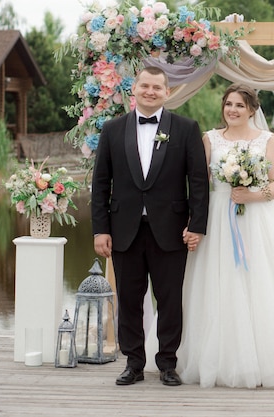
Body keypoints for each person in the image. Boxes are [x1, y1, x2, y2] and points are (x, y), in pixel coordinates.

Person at [150, 83, 274, 388]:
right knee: (213, 284)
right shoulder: (210, 139)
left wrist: (252, 195)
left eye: (239, 105)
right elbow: (200, 183)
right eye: (228, 104)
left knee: (261, 283)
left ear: (252, 109)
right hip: (217, 218)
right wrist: (193, 220)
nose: (232, 110)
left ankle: (267, 359)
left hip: (257, 220)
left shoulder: (266, 140)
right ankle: (205, 357)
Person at [92, 66, 209, 386]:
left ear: (167, 92)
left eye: (157, 87)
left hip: (171, 230)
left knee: (170, 300)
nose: (150, 91)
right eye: (145, 85)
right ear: (135, 89)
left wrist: (197, 225)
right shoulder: (113, 129)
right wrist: (100, 229)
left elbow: (198, 182)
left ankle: (168, 363)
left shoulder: (186, 129)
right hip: (124, 230)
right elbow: (100, 183)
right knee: (129, 299)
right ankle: (134, 363)